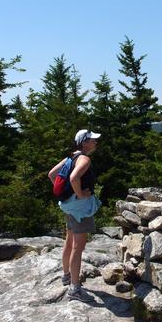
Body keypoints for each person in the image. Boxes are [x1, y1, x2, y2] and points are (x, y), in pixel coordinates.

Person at [48, 129, 101, 302]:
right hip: (80, 209)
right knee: (78, 246)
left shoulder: (71, 157)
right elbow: (73, 177)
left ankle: (66, 276)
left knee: (69, 240)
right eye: (92, 140)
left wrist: (67, 194)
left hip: (69, 206)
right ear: (84, 142)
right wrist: (79, 194)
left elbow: (52, 175)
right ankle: (75, 289)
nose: (95, 142)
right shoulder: (84, 159)